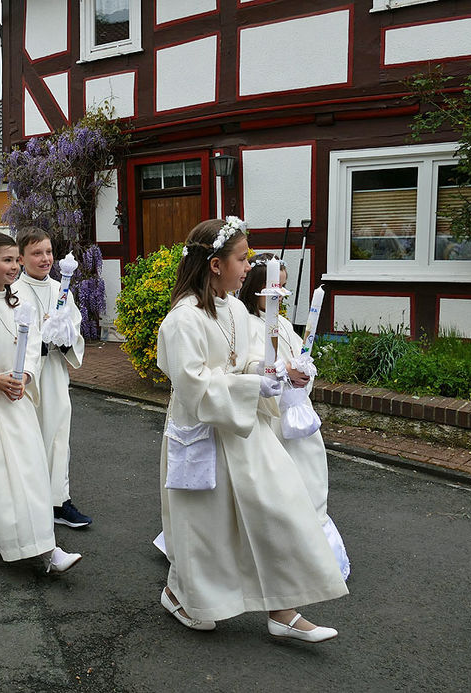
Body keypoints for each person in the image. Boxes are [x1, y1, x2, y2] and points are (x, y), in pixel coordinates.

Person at [155, 218, 347, 639]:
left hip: (244, 429)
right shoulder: (181, 320)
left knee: (277, 507)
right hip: (202, 433)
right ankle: (181, 594)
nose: (248, 268)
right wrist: (251, 383)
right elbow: (194, 386)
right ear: (215, 265)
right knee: (205, 527)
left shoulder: (236, 309)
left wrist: (275, 371)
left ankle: (284, 610)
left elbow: (243, 362)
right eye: (242, 259)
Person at [0, 231, 81, 574]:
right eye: (7, 259)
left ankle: (45, 546)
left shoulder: (18, 303)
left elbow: (33, 342)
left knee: (31, 473)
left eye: (15, 259)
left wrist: (26, 376)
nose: (14, 266)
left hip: (18, 402)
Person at [239, 254, 350, 580]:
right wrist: (279, 373)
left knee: (312, 477)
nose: (282, 296)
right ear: (257, 288)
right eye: (277, 288)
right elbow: (251, 366)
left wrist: (303, 370)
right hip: (269, 418)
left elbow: (295, 356)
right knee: (281, 488)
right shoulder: (245, 323)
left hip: (296, 411)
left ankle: (316, 552)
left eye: (285, 288)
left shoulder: (283, 323)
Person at [13, 228, 91, 528]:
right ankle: (31, 502)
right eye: (36, 253)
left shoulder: (63, 289)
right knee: (32, 436)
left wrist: (63, 334)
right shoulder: (15, 292)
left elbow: (76, 328)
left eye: (48, 252)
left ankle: (60, 500)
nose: (45, 258)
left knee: (58, 435)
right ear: (20, 259)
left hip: (55, 374)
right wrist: (41, 336)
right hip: (30, 376)